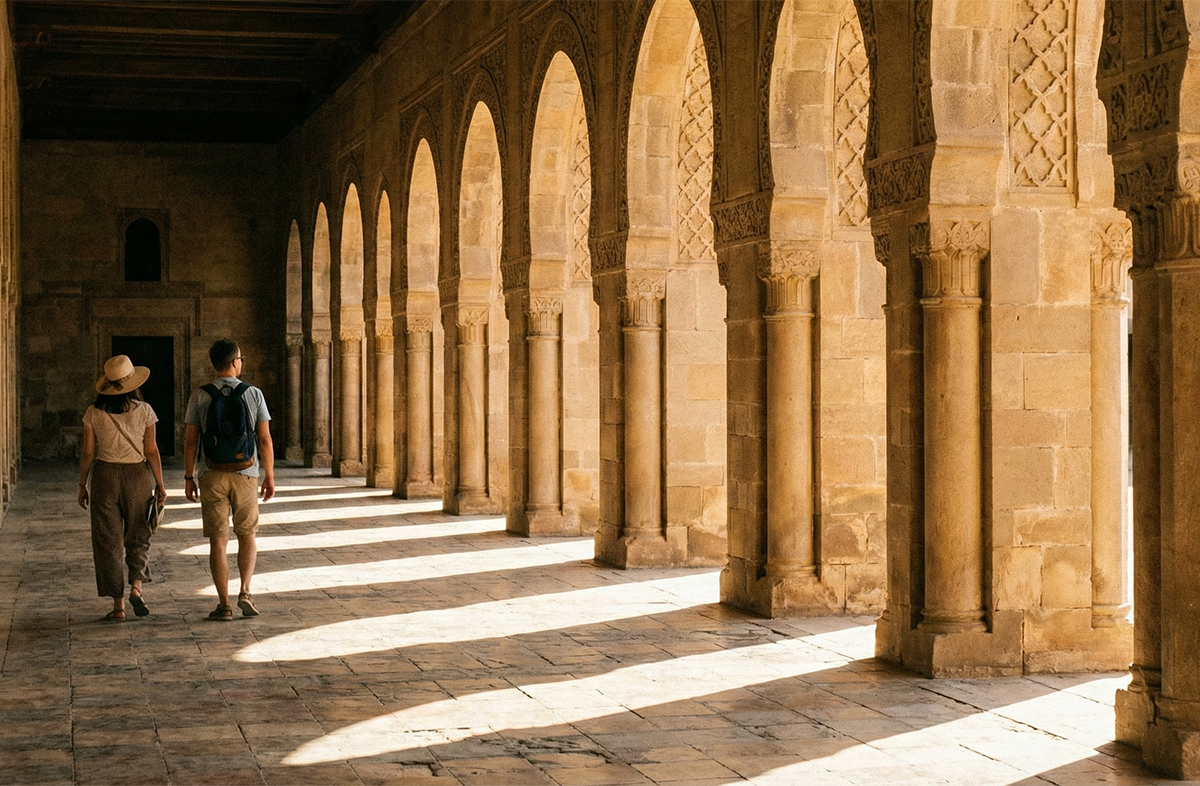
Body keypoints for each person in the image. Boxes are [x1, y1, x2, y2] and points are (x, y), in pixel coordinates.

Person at [183, 338, 274, 620]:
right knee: (247, 535)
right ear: (236, 362)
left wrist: (189, 476)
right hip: (245, 472)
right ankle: (245, 590)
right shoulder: (253, 394)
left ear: (214, 363)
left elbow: (190, 440)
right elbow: (264, 439)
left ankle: (223, 605)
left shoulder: (200, 395)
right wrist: (268, 475)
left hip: (211, 473)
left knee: (218, 541)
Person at [78, 355, 168, 621]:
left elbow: (87, 453)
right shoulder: (145, 411)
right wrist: (160, 485)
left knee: (107, 540)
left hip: (104, 476)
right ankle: (136, 589)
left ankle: (118, 607)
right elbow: (151, 451)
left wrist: (82, 484)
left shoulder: (93, 413)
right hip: (137, 476)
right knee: (140, 532)